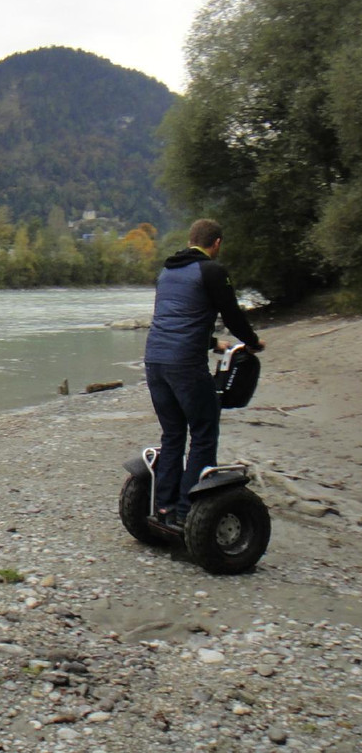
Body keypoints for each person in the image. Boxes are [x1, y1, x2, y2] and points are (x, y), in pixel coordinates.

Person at [143, 218, 265, 528]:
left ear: (190, 239)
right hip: (185, 364)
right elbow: (232, 315)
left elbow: (173, 318)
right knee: (204, 431)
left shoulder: (167, 271)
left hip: (154, 360)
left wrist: (212, 343)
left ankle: (165, 507)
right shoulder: (212, 270)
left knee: (173, 434)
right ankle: (189, 512)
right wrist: (252, 342)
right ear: (217, 243)